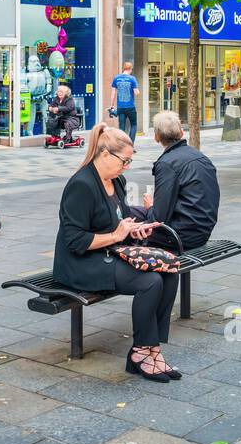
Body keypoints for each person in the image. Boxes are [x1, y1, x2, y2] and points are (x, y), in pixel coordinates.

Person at [54, 123, 180, 382]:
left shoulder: (117, 180)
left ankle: (149, 349)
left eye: (130, 161)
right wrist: (116, 235)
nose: (127, 167)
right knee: (150, 281)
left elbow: (119, 220)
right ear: (104, 154)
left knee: (169, 271)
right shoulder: (82, 185)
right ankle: (142, 353)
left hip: (108, 253)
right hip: (80, 263)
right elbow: (75, 241)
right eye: (124, 160)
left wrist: (135, 229)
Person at [130, 111, 219, 251]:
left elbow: (158, 218)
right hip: (202, 229)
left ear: (156, 137)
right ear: (182, 133)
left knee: (129, 228)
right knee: (131, 211)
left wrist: (150, 207)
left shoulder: (166, 164)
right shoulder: (200, 157)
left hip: (181, 235)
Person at [111, 62, 139, 145]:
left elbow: (113, 93)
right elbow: (136, 92)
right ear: (130, 69)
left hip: (120, 107)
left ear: (123, 68)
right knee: (133, 125)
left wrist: (112, 105)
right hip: (130, 107)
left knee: (121, 127)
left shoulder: (116, 78)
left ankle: (122, 145)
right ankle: (130, 145)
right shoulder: (132, 78)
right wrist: (137, 90)